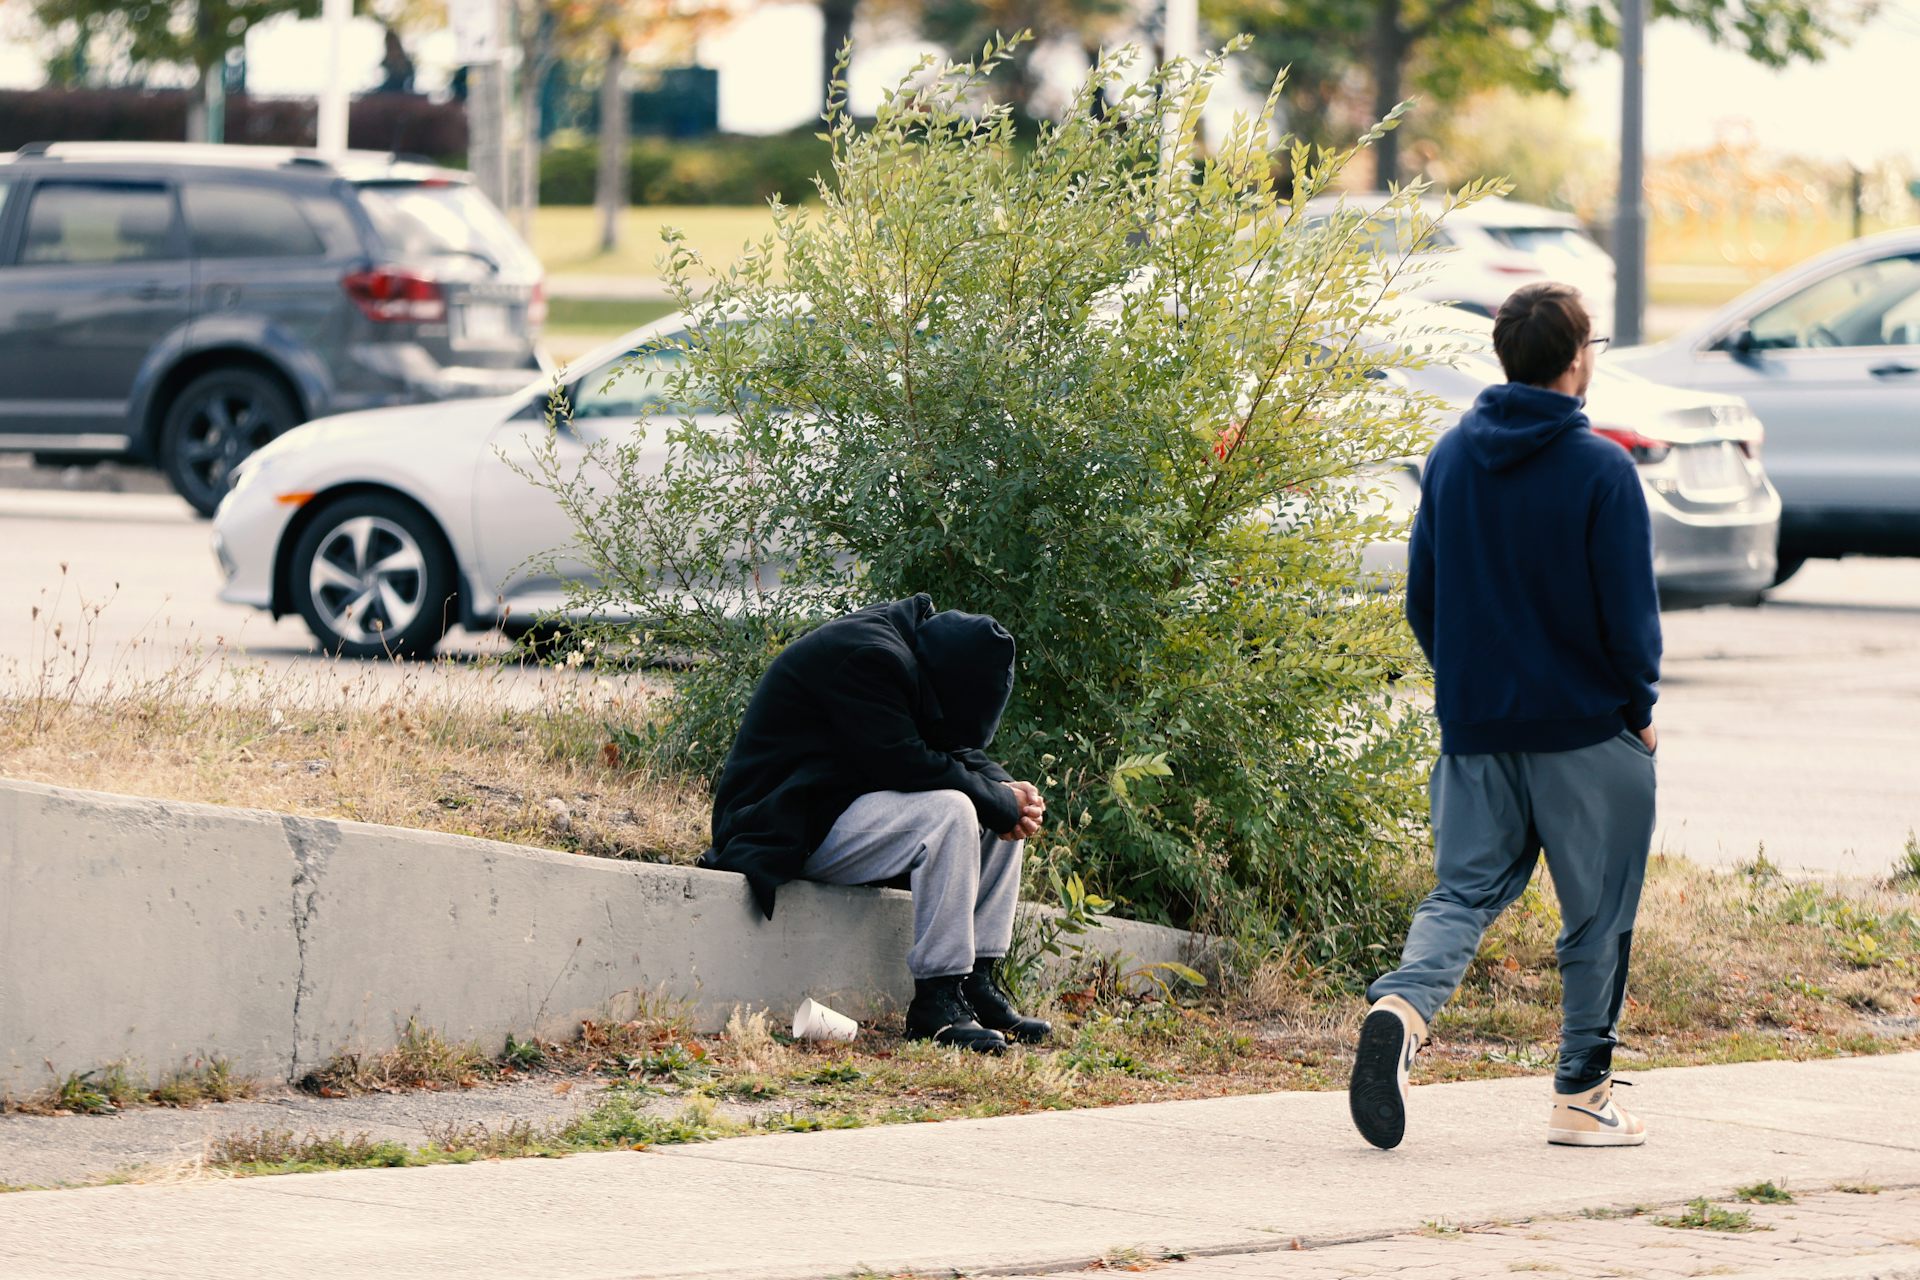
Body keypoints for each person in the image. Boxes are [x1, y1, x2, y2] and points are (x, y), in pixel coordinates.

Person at [1349, 282, 1663, 1151]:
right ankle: (1580, 1096)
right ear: (1575, 359)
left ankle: (1402, 1008)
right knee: (1596, 914)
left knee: (1462, 892)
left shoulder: (1452, 458)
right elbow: (1629, 618)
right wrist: (1637, 710)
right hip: (1585, 733)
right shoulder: (1601, 468)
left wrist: (1469, 685)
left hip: (1478, 728)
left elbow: (1424, 596)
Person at [701, 594, 1051, 1054]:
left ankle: (975, 984)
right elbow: (905, 762)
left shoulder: (924, 655)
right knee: (954, 810)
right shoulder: (870, 658)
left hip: (834, 808)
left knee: (998, 815)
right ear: (941, 685)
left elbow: (951, 751)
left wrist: (1012, 795)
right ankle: (936, 1002)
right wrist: (993, 798)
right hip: (783, 823)